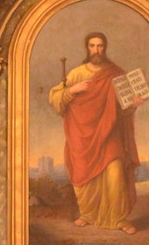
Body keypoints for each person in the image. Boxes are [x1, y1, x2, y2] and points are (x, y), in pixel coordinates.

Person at [49, 31, 141, 233]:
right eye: (92, 46)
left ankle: (119, 219)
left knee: (115, 175)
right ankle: (88, 215)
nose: (96, 50)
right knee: (86, 178)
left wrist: (133, 104)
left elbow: (123, 108)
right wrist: (72, 90)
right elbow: (55, 99)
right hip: (82, 136)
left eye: (100, 46)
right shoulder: (76, 74)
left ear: (105, 48)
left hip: (110, 133)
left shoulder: (116, 74)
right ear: (87, 48)